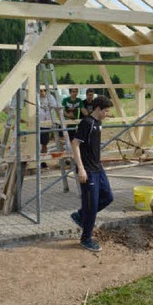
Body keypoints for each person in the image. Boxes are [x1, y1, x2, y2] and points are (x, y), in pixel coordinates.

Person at [69, 96, 114, 252]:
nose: (107, 114)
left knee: (108, 197)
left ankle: (81, 215)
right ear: (97, 109)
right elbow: (74, 145)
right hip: (87, 170)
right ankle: (86, 238)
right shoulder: (86, 123)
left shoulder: (98, 122)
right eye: (106, 111)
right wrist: (80, 168)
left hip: (98, 168)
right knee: (92, 204)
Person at [39, 88, 60, 166]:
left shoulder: (50, 97)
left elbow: (56, 108)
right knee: (37, 142)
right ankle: (37, 160)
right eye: (40, 91)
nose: (42, 92)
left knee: (44, 143)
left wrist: (60, 119)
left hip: (47, 123)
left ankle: (43, 161)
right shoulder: (36, 97)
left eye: (44, 90)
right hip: (38, 123)